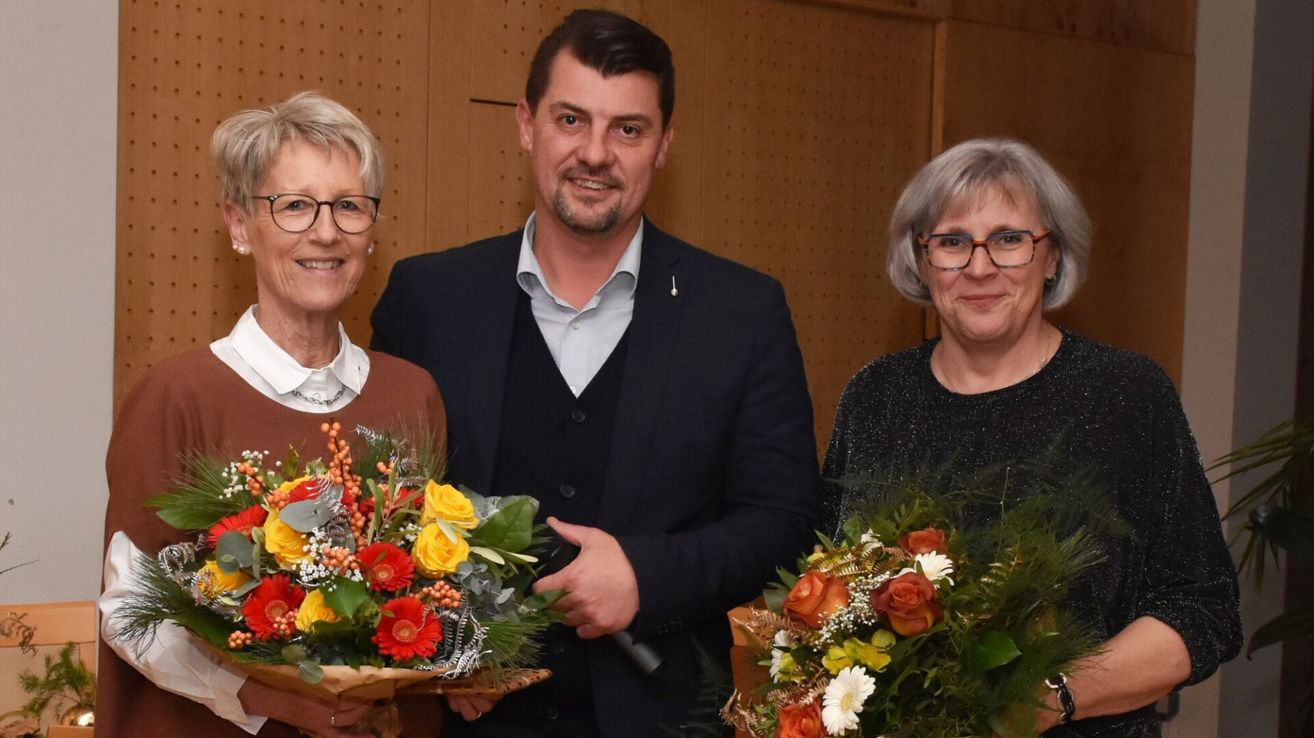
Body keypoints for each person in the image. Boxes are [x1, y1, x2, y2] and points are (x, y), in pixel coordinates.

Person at [371, 9, 819, 737]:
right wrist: (441, 642)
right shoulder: (428, 300)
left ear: (664, 144)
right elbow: (381, 505)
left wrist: (648, 576)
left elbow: (785, 520)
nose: (596, 153)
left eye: (628, 129)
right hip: (464, 723)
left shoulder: (742, 312)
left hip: (667, 718)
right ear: (526, 123)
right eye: (571, 119)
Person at [822, 138, 1242, 737]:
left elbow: (1201, 609)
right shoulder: (875, 397)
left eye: (1010, 239)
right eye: (952, 242)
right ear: (920, 260)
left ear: (1053, 258)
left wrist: (1047, 698)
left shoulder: (1126, 394)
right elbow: (827, 589)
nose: (980, 266)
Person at [97, 92, 446, 738]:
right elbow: (129, 611)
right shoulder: (178, 396)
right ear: (237, 224)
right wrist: (264, 695)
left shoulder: (412, 395)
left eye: (348, 205)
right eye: (293, 206)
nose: (325, 231)